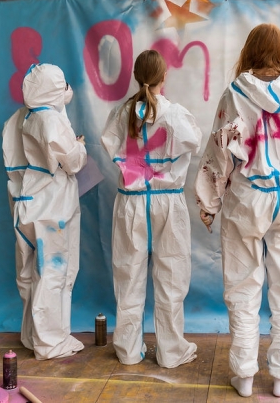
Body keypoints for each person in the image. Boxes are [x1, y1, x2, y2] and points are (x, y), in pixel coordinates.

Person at [194, 23, 280, 398]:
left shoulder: (235, 94)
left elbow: (219, 150)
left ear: (249, 51)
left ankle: (244, 376)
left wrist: (210, 203)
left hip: (248, 196)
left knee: (242, 286)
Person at [101, 49, 201, 368]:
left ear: (135, 77)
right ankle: (171, 352)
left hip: (130, 203)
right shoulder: (176, 114)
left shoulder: (120, 114)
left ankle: (128, 350)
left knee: (127, 275)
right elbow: (195, 142)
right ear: (163, 77)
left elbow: (110, 145)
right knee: (172, 276)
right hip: (167, 201)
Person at [2, 63, 88, 360]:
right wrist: (79, 145)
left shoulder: (16, 119)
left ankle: (32, 336)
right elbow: (73, 163)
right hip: (52, 204)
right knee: (54, 271)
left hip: (24, 202)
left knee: (28, 273)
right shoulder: (51, 120)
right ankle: (51, 342)